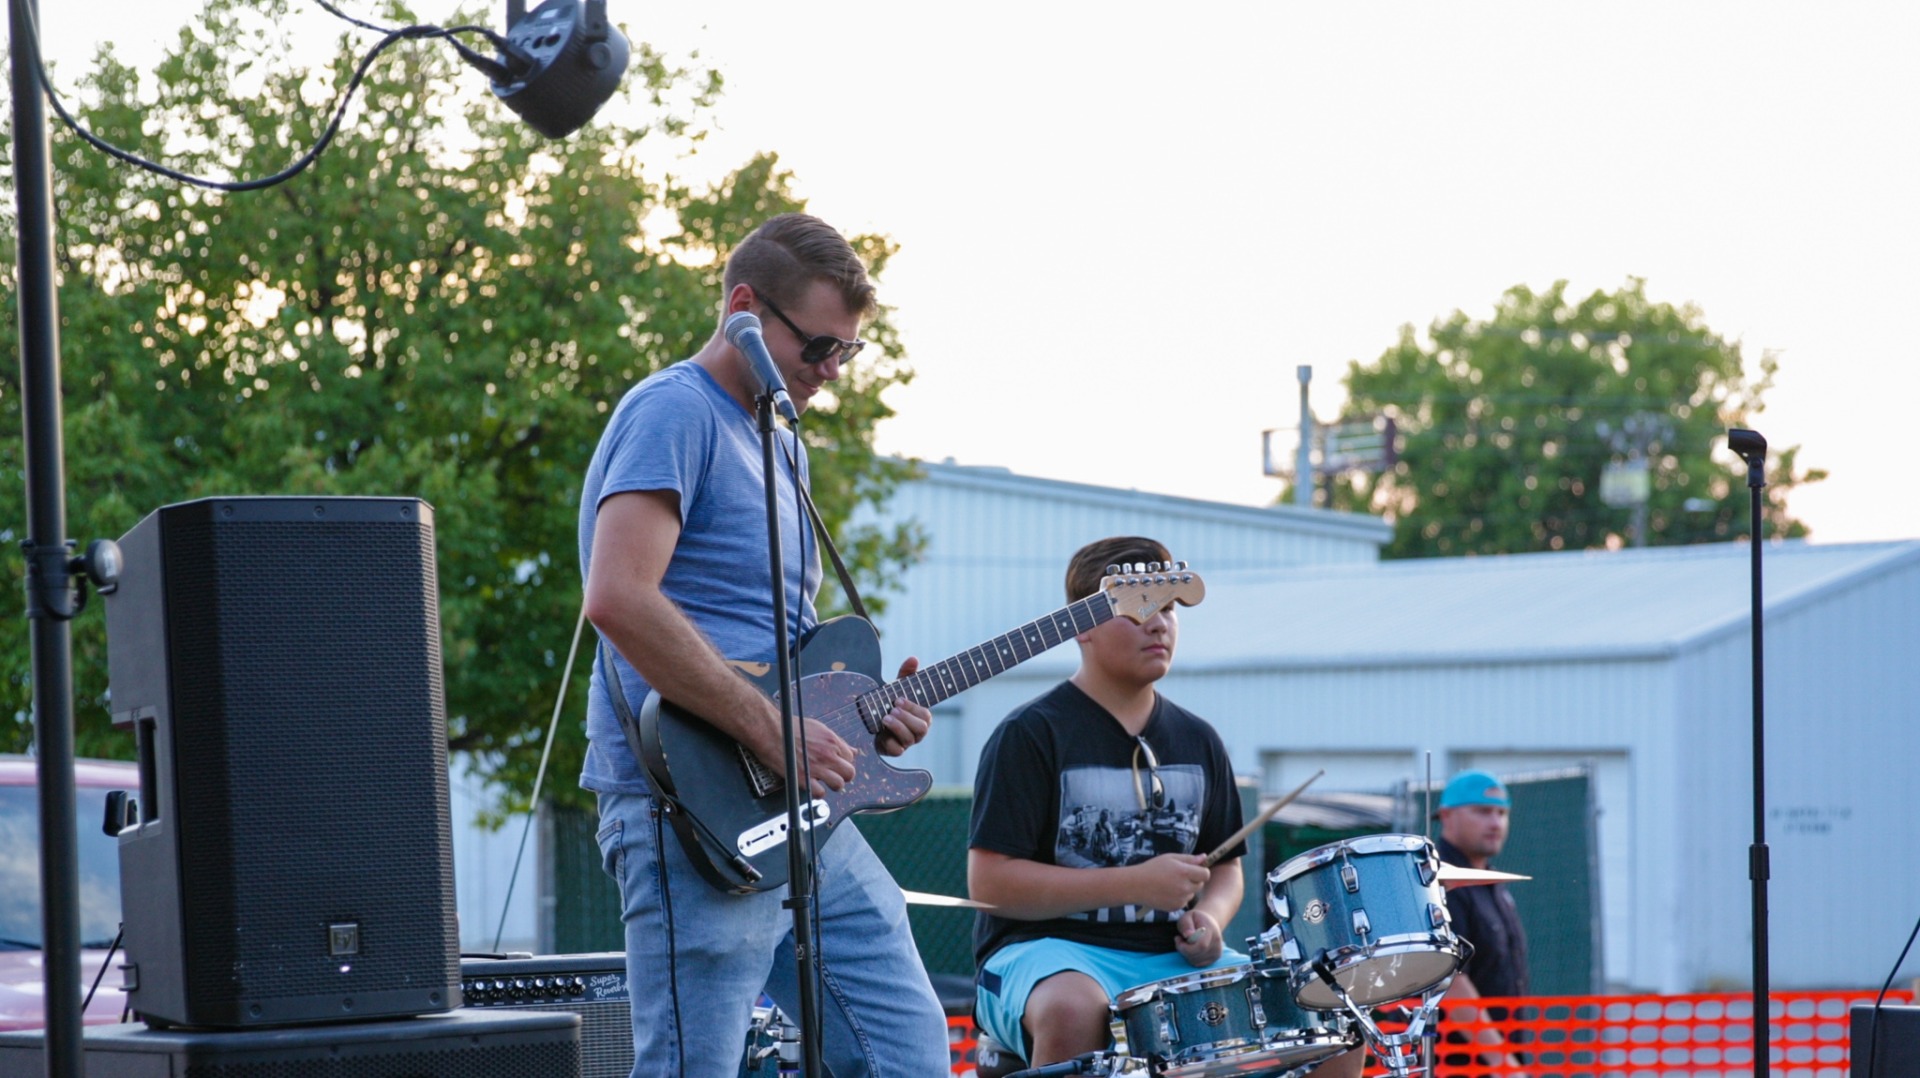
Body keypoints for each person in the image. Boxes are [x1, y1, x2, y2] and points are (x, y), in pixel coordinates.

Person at [578, 213, 950, 1077]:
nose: (828, 372)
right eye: (817, 345)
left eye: (845, 353)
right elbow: (619, 597)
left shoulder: (782, 441)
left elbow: (782, 646)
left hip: (799, 807)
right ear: (743, 308)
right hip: (685, 800)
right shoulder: (674, 410)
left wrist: (859, 721)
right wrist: (767, 727)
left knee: (906, 1053)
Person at [967, 536, 1360, 1076]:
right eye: (1139, 609)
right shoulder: (1028, 735)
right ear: (1080, 626)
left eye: (1170, 609)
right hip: (1046, 954)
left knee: (1330, 1014)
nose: (1160, 624)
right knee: (1074, 1009)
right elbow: (990, 885)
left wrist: (1209, 920)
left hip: (1171, 959)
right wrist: (1131, 885)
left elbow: (1225, 872)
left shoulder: (1198, 739)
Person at [1436, 769, 1530, 1076]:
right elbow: (1450, 982)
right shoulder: (1439, 882)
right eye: (1482, 811)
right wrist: (1504, 1065)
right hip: (1457, 1065)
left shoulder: (1491, 883)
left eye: (1502, 813)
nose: (1495, 823)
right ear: (1446, 816)